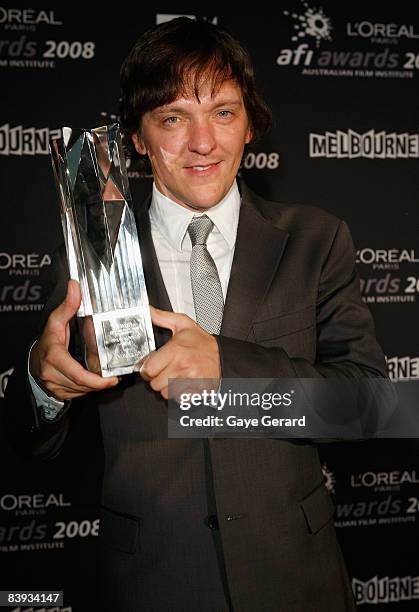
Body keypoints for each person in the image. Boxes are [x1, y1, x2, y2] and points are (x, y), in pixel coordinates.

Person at [4, 17, 388, 611]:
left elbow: (368, 408)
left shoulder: (317, 239)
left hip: (294, 582)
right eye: (174, 117)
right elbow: (31, 450)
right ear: (137, 137)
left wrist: (226, 366)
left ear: (251, 124)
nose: (203, 142)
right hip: (148, 583)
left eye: (224, 113)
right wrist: (43, 388)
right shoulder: (89, 254)